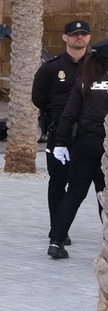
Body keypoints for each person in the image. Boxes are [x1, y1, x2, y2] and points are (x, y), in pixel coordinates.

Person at [45, 39, 108, 260]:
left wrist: (61, 143)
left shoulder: (84, 81)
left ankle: (56, 241)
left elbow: (68, 114)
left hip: (83, 143)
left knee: (73, 194)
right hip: (105, 146)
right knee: (105, 195)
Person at [33, 20, 94, 239]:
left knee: (98, 186)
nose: (80, 38)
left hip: (89, 134)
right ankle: (58, 230)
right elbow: (38, 98)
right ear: (65, 37)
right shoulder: (51, 68)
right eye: (75, 34)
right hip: (61, 134)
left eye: (84, 34)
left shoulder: (97, 67)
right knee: (58, 182)